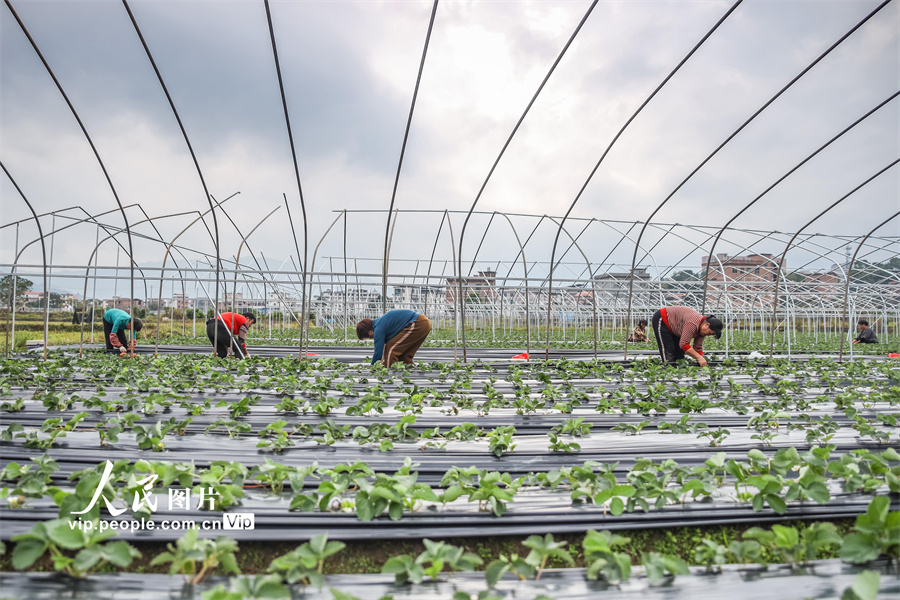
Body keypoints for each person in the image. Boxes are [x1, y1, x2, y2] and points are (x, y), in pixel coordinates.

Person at [356, 309, 431, 368]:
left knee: (391, 349)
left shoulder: (378, 328)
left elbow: (378, 352)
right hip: (423, 323)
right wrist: (384, 361)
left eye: (368, 336)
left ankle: (390, 375)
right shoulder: (381, 323)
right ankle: (411, 373)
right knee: (404, 356)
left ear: (369, 332)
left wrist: (373, 367)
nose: (371, 337)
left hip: (417, 322)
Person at [651, 306, 722, 367]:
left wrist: (701, 360)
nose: (707, 335)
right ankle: (667, 371)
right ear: (707, 325)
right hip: (663, 318)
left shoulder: (702, 331)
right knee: (668, 350)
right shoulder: (693, 323)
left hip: (675, 327)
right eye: (709, 333)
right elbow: (684, 344)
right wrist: (699, 358)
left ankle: (676, 375)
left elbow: (698, 348)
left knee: (679, 354)